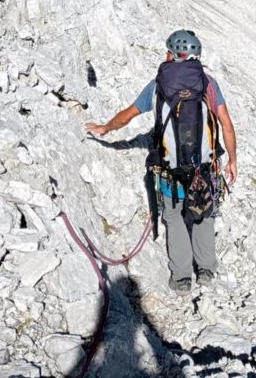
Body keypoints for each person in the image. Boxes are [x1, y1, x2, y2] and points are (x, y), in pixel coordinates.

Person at [85, 29, 237, 294]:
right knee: (205, 214)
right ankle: (206, 270)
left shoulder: (158, 85)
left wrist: (105, 128)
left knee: (175, 218)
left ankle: (181, 278)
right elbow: (226, 125)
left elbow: (127, 115)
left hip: (170, 171)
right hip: (205, 169)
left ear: (174, 54)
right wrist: (232, 160)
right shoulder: (208, 84)